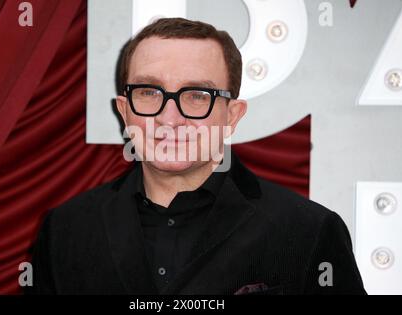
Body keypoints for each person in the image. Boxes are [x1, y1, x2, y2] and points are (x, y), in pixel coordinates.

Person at [27, 18, 366, 295]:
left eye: (196, 95)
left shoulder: (310, 230)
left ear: (232, 115)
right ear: (124, 110)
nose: (170, 118)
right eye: (148, 92)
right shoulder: (64, 230)